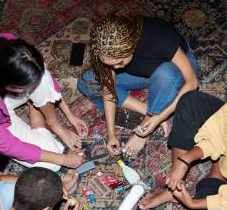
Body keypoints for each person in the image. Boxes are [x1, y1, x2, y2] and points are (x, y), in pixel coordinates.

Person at [0, 32, 88, 172]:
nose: (32, 89)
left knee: (38, 73)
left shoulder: (7, 45)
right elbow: (8, 146)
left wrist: (69, 115)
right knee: (52, 165)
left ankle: (53, 124)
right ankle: (36, 109)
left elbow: (44, 78)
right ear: (8, 85)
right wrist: (63, 160)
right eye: (25, 87)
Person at [77, 15, 200, 156]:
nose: (115, 68)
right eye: (110, 64)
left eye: (119, 62)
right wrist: (110, 134)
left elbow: (193, 82)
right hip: (144, 71)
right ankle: (147, 108)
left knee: (165, 75)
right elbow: (109, 89)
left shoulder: (160, 38)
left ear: (131, 46)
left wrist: (158, 118)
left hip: (175, 69)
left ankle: (147, 123)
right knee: (86, 82)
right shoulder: (107, 49)